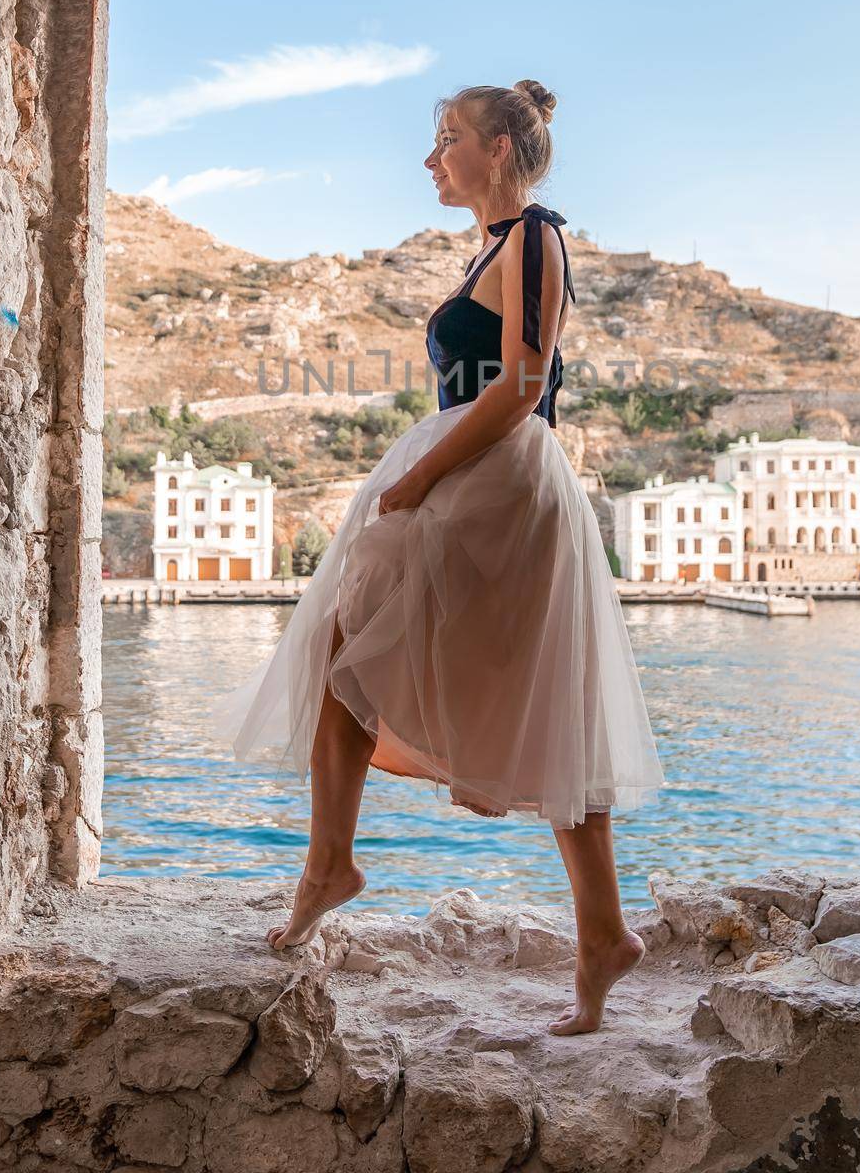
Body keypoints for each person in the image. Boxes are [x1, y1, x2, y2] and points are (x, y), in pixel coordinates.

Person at [213, 78, 664, 1035]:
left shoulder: (535, 233)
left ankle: (334, 865)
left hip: (497, 480)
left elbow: (524, 384)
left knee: (381, 657)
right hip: (472, 471)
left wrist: (419, 483)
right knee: (522, 695)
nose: (432, 157)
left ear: (499, 146)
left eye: (448, 137)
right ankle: (600, 934)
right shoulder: (494, 248)